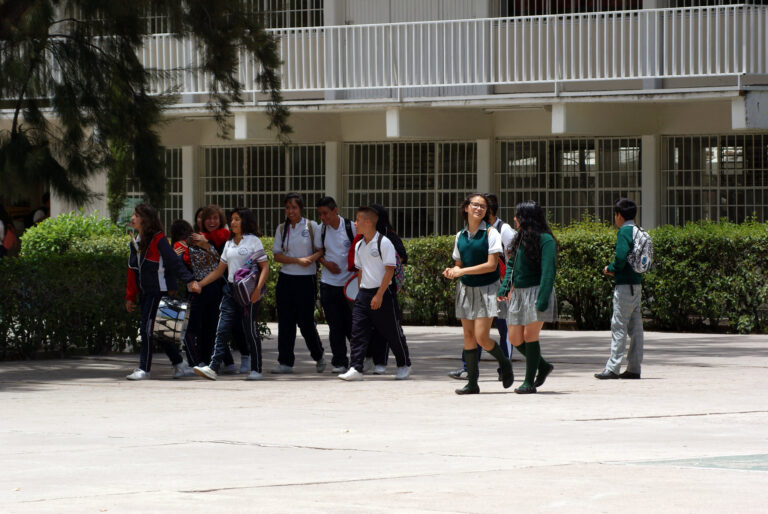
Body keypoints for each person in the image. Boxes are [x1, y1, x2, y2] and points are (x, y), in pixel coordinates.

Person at [442, 193, 513, 395]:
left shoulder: (491, 233)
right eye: (475, 205)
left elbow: (491, 265)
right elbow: (459, 263)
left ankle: (504, 363)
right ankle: (472, 383)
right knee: (468, 336)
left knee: (482, 337)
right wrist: (452, 271)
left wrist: (461, 271)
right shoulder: (460, 236)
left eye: (482, 206)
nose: (478, 209)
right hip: (466, 289)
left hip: (487, 289)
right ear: (466, 208)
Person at [192, 208, 269, 381]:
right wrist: (200, 284)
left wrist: (257, 290)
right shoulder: (229, 243)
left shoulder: (253, 241)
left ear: (245, 221)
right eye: (231, 219)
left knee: (250, 330)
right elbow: (220, 271)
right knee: (222, 328)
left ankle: (256, 369)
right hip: (230, 291)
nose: (232, 223)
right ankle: (212, 367)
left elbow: (265, 267)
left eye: (236, 219)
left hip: (249, 292)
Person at [125, 204, 200, 380]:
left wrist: (190, 280)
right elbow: (132, 271)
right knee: (163, 332)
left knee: (147, 329)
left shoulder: (159, 240)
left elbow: (174, 262)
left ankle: (144, 369)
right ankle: (180, 365)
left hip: (159, 292)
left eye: (136, 215)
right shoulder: (135, 242)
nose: (132, 218)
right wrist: (130, 296)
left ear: (146, 219)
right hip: (146, 293)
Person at [339, 207, 411, 381]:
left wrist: (379, 295)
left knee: (392, 332)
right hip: (363, 294)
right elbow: (361, 271)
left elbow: (389, 271)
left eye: (357, 220)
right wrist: (360, 293)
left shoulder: (384, 243)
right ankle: (356, 368)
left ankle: (404, 364)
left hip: (383, 293)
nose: (354, 224)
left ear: (368, 222)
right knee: (357, 332)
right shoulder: (358, 245)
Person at [497, 201, 556, 394]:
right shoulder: (520, 238)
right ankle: (543, 366)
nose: (514, 219)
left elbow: (549, 271)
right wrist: (504, 288)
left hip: (537, 291)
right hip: (519, 294)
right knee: (514, 337)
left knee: (530, 337)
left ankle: (528, 382)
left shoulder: (546, 239)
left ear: (526, 218)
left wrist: (543, 298)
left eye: (517, 215)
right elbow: (511, 266)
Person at [271, 193, 326, 374]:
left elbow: (320, 250)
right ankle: (285, 362)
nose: (290, 211)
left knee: (305, 322)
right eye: (287, 208)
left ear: (301, 209)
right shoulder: (281, 229)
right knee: (285, 321)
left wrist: (309, 259)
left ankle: (318, 355)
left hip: (306, 280)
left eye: (294, 207)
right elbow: (277, 255)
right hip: (286, 279)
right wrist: (296, 261)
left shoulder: (311, 226)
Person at [595, 198, 644, 380]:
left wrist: (611, 268)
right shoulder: (638, 231)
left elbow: (621, 256)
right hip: (636, 285)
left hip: (624, 286)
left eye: (615, 215)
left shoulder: (624, 232)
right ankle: (634, 367)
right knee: (636, 328)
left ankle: (613, 368)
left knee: (619, 326)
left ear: (620, 216)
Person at [194, 204, 245, 373]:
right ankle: (206, 360)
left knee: (229, 325)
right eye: (208, 218)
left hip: (227, 286)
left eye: (215, 218)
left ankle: (237, 359)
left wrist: (207, 245)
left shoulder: (228, 238)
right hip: (206, 288)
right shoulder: (197, 238)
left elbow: (221, 264)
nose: (211, 221)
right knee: (207, 325)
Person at [364, 203, 408, 374]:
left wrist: (386, 262)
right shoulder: (366, 237)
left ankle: (381, 362)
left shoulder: (388, 236)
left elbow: (403, 256)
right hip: (368, 286)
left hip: (386, 287)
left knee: (385, 325)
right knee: (366, 325)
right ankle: (366, 358)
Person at [171, 219, 221, 367]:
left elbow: (177, 268)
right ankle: (207, 361)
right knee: (209, 328)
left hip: (194, 289)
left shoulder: (178, 246)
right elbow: (218, 262)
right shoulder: (203, 243)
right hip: (212, 288)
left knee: (190, 330)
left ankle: (195, 362)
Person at [316, 196, 356, 373]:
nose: (323, 217)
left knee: (352, 324)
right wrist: (326, 264)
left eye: (325, 213)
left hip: (349, 285)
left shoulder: (350, 227)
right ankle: (339, 361)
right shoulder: (320, 230)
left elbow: (360, 248)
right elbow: (318, 252)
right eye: (320, 214)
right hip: (328, 283)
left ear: (335, 210)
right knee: (334, 325)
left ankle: (359, 359)